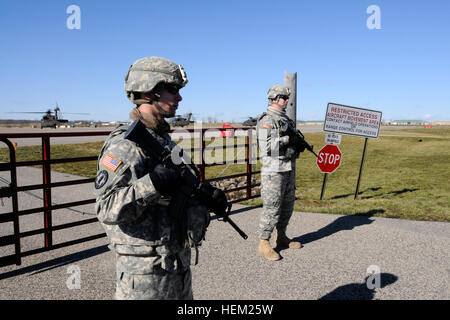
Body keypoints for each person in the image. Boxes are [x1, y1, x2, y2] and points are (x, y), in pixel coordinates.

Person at [93, 56, 212, 299]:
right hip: (145, 275)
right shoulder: (125, 146)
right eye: (172, 90)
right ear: (149, 92)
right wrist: (152, 183)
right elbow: (106, 208)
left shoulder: (162, 140)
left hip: (176, 264)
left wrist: (205, 196)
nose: (179, 98)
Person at [255, 84, 304, 261]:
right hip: (273, 170)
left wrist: (296, 144)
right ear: (274, 99)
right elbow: (267, 147)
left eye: (286, 98)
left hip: (288, 168)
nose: (286, 101)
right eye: (283, 98)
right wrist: (287, 139)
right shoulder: (267, 120)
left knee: (287, 204)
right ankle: (264, 242)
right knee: (272, 206)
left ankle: (282, 236)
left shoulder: (286, 120)